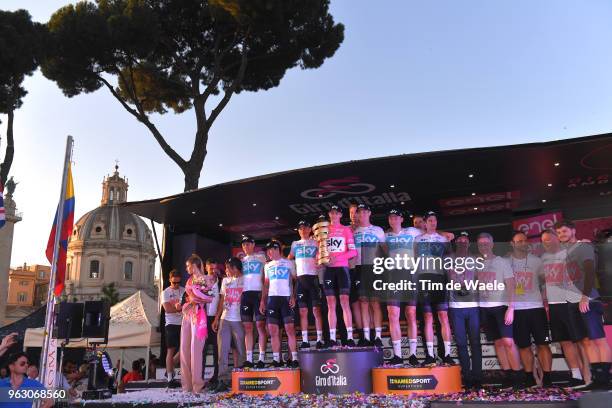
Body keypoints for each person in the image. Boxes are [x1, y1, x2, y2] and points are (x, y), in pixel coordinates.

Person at [555, 220, 611, 390]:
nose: (561, 235)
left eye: (564, 231)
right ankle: (597, 378)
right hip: (571, 302)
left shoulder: (583, 247)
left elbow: (589, 272)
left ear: (573, 230)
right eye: (558, 233)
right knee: (585, 341)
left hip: (587, 299)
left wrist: (585, 297)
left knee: (598, 339)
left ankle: (606, 379)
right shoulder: (564, 252)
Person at [507, 231, 552, 388]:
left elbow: (545, 281)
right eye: (519, 241)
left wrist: (546, 299)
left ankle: (547, 378)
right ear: (512, 244)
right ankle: (529, 378)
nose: (523, 243)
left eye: (525, 241)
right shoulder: (506, 262)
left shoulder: (536, 261)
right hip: (517, 310)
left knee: (543, 344)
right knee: (524, 346)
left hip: (536, 308)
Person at [477, 232, 522, 389]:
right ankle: (508, 375)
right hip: (484, 308)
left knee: (508, 342)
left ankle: (518, 377)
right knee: (497, 343)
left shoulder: (501, 262)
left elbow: (511, 286)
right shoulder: (476, 263)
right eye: (481, 244)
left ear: (492, 244)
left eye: (486, 243)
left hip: (501, 307)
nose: (484, 246)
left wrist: (511, 307)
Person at [414, 211, 454, 366]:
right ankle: (430, 355)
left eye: (435, 220)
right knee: (428, 318)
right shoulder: (418, 239)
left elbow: (449, 260)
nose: (433, 223)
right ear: (425, 222)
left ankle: (447, 354)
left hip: (440, 279)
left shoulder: (443, 239)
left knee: (443, 317)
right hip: (424, 279)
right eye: (430, 220)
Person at [384, 209, 421, 365]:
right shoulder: (385, 235)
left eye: (396, 217)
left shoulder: (411, 231)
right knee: (393, 314)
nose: (393, 220)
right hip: (393, 275)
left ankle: (412, 355)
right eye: (390, 218)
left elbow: (431, 232)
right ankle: (398, 355)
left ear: (401, 218)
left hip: (410, 274)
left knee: (411, 313)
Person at [448, 232, 482, 389]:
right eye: (459, 241)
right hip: (456, 307)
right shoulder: (449, 259)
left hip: (473, 306)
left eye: (465, 241)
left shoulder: (476, 259)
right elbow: (448, 278)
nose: (462, 243)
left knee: (475, 342)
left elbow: (481, 279)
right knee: (461, 344)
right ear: (456, 243)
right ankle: (467, 377)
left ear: (469, 244)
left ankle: (478, 376)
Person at [260, 241, 299, 367]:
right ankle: (276, 359)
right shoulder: (267, 265)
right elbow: (266, 284)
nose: (268, 253)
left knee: (289, 329)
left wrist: (293, 296)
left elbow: (294, 281)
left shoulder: (289, 263)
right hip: (272, 300)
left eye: (270, 250)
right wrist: (262, 301)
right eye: (267, 251)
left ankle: (294, 358)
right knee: (272, 330)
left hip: (285, 298)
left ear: (276, 249)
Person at [322, 205, 357, 347]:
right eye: (332, 213)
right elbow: (320, 252)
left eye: (336, 213)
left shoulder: (346, 229)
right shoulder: (324, 230)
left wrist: (338, 258)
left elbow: (353, 252)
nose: (334, 215)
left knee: (344, 302)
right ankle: (331, 337)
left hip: (342, 268)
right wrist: (322, 259)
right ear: (329, 214)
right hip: (329, 270)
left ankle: (349, 337)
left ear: (341, 215)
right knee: (331, 304)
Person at [354, 204, 387, 348]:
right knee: (363, 302)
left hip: (374, 267)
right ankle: (366, 336)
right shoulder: (353, 231)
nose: (362, 215)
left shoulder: (378, 230)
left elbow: (385, 250)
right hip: (359, 267)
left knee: (375, 302)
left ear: (369, 213)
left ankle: (378, 336)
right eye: (359, 213)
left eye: (365, 212)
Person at [288, 220, 325, 350]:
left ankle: (320, 339)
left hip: (313, 278)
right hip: (300, 280)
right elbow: (289, 259)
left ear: (310, 229)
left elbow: (321, 257)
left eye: (305, 228)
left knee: (316, 310)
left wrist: (320, 261)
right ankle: (305, 340)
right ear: (298, 231)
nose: (303, 230)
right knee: (303, 311)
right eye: (300, 228)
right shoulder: (295, 244)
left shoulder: (316, 242)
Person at [180, 254, 213, 393]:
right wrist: (188, 302)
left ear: (194, 266)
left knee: (196, 350)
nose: (187, 268)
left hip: (198, 315)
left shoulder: (205, 279)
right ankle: (186, 385)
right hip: (187, 315)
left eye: (188, 266)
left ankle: (197, 385)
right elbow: (188, 297)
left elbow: (209, 297)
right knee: (184, 349)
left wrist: (195, 299)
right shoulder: (189, 281)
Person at [212, 257, 246, 393]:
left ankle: (243, 378)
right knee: (223, 350)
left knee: (241, 349)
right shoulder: (225, 281)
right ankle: (222, 380)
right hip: (225, 319)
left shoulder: (245, 280)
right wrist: (216, 318)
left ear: (234, 268)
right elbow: (221, 300)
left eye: (228, 268)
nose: (226, 271)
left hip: (239, 319)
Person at [240, 236, 269, 368]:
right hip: (245, 294)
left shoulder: (261, 257)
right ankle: (249, 359)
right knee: (247, 328)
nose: (246, 246)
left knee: (260, 326)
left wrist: (264, 297)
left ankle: (261, 359)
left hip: (258, 293)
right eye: (244, 244)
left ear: (253, 245)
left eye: (248, 244)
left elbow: (265, 279)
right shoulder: (240, 261)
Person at [161, 269, 185, 385]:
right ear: (170, 280)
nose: (176, 285)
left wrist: (179, 308)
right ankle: (170, 378)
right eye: (173, 282)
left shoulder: (184, 291)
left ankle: (169, 368)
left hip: (183, 323)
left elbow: (188, 305)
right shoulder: (165, 292)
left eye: (178, 282)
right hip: (170, 324)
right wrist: (180, 308)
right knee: (171, 350)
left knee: (184, 348)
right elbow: (168, 309)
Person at [348, 203, 364, 343]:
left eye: (356, 212)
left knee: (369, 303)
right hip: (350, 269)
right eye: (351, 213)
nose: (354, 215)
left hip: (366, 268)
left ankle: (370, 334)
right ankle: (361, 335)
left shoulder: (370, 229)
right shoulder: (346, 230)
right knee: (355, 304)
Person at [203, 258, 220, 389]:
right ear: (206, 267)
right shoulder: (201, 280)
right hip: (203, 318)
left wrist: (217, 318)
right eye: (211, 268)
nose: (213, 271)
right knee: (202, 349)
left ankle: (216, 376)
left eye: (215, 268)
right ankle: (200, 376)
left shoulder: (221, 280)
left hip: (215, 317)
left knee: (216, 348)